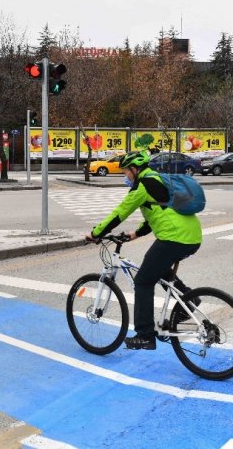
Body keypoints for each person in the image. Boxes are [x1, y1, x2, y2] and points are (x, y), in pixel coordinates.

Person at [87, 150, 202, 351]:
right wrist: (136, 234)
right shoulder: (157, 179)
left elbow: (119, 214)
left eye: (126, 172)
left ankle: (145, 335)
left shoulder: (142, 185)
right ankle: (189, 300)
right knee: (159, 269)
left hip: (174, 238)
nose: (125, 176)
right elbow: (158, 211)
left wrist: (96, 233)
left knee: (142, 281)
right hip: (192, 236)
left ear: (134, 169)